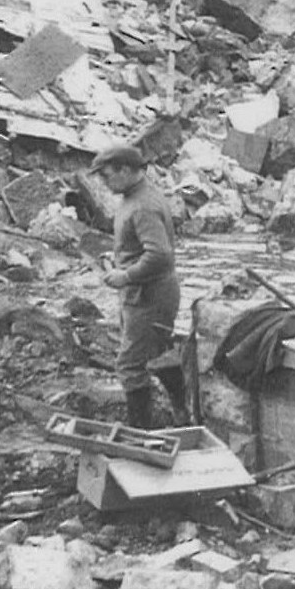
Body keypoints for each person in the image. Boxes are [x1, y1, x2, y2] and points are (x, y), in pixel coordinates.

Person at [97, 144, 184, 429]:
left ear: (125, 170)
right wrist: (119, 258)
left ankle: (141, 432)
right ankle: (184, 415)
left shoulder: (142, 204)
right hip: (146, 293)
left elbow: (159, 255)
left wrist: (126, 275)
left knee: (130, 364)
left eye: (107, 176)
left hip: (150, 295)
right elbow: (143, 245)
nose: (104, 183)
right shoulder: (136, 197)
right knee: (158, 354)